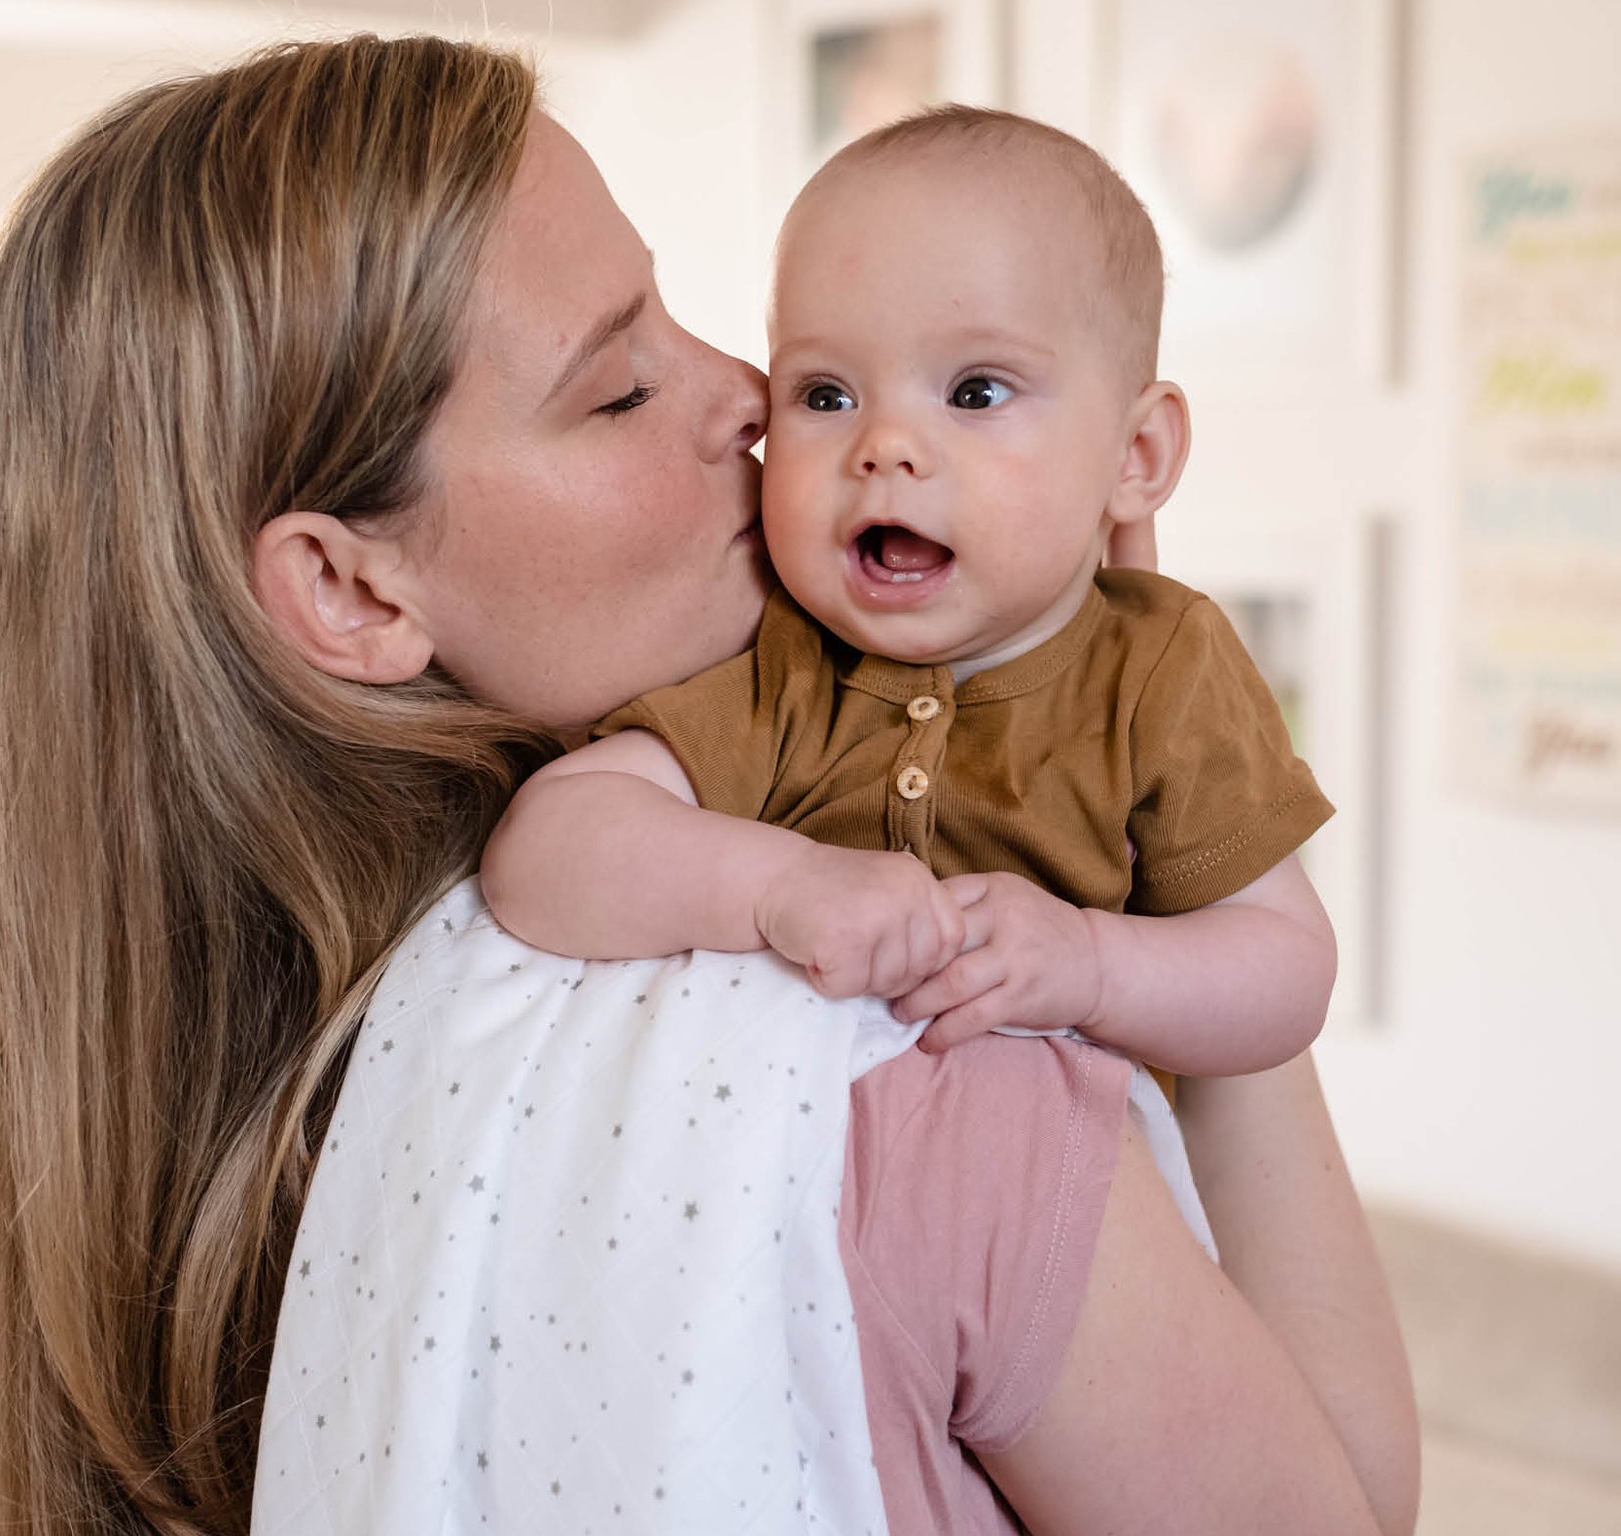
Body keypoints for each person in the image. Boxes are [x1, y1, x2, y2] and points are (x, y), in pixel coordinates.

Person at [0, 34, 1417, 1536]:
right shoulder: (920, 1080)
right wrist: (1182, 862)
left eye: (691, 322)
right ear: (352, 588)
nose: (753, 406)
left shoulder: (261, 1158)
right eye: (619, 386)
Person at [481, 107, 1336, 1085]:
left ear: (1134, 456)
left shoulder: (1159, 668)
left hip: (1070, 1170)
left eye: (974, 392)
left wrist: (1097, 965)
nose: (882, 445)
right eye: (825, 395)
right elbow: (548, 848)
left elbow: (1287, 966)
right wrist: (781, 885)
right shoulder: (784, 661)